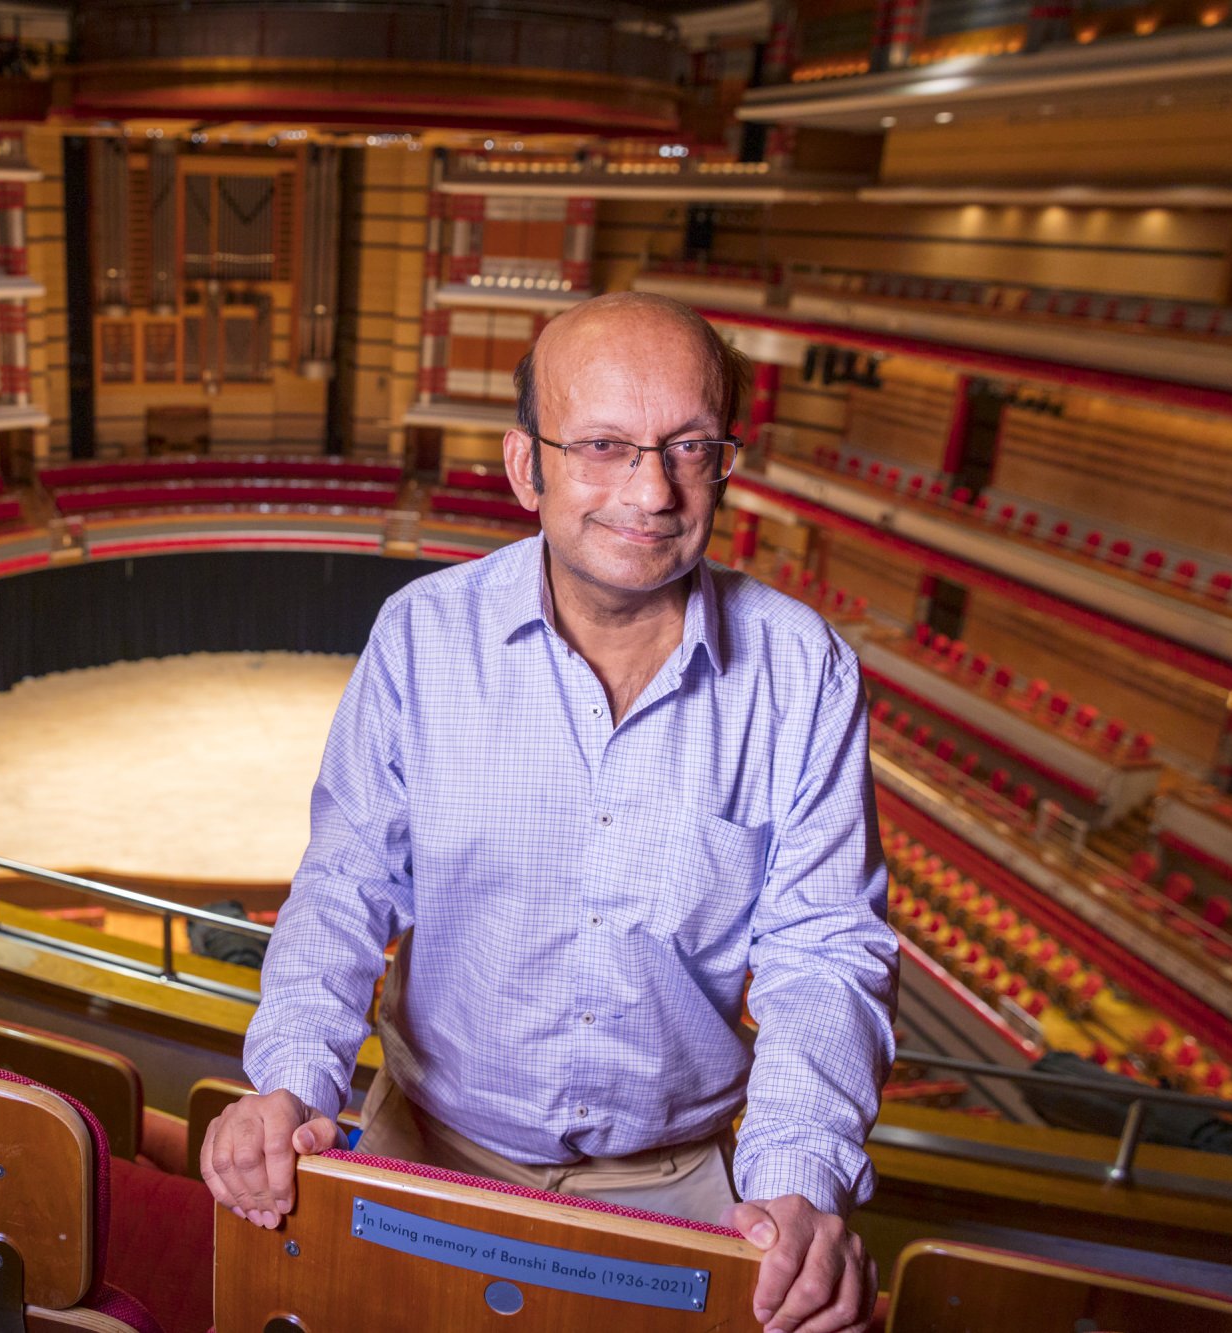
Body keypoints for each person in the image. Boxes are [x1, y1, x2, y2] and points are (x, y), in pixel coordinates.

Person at [200, 291, 896, 1333]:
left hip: (679, 1188)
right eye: (604, 446)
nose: (650, 490)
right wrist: (291, 1081)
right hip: (423, 1146)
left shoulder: (802, 671)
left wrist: (797, 1177)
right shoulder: (421, 637)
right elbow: (344, 884)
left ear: (724, 464)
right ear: (527, 467)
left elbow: (823, 950)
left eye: (686, 447)